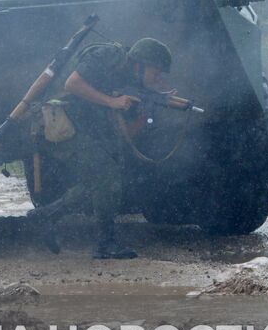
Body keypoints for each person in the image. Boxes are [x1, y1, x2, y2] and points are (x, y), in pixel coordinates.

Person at [29, 37, 175, 259]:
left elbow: (124, 135)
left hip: (82, 129)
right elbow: (72, 83)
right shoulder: (108, 57)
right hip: (57, 124)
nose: (158, 78)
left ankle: (47, 215)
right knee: (106, 176)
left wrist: (147, 114)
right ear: (141, 63)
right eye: (157, 72)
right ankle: (105, 244)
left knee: (99, 181)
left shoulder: (133, 84)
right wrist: (112, 101)